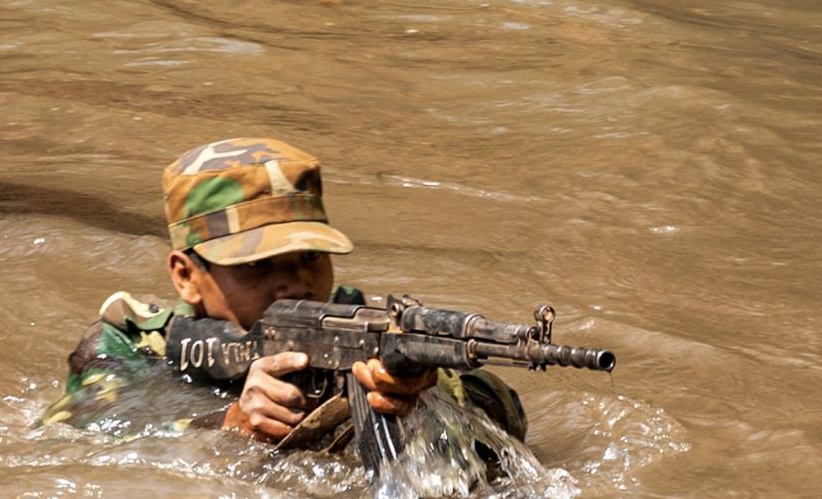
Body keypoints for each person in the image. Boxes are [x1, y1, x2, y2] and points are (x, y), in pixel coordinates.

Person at [44, 137, 527, 451]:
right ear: (186, 275)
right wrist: (231, 425)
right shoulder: (129, 344)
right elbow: (82, 433)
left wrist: (428, 394)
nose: (296, 284)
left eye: (311, 257)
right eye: (256, 266)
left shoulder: (353, 324)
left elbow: (509, 416)